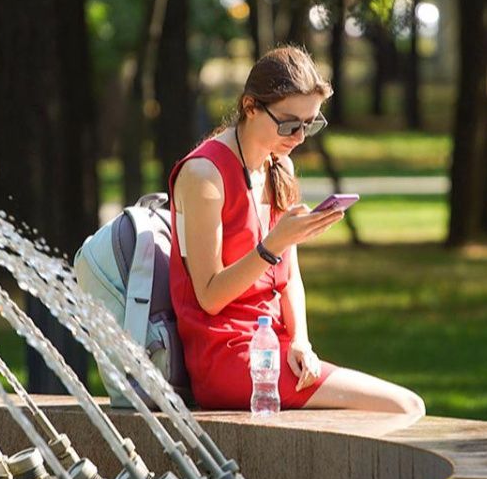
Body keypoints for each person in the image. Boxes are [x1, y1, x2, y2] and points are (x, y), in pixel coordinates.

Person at [168, 45, 425, 418]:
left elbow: (290, 278)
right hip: (225, 357)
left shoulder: (278, 166)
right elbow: (209, 296)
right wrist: (273, 244)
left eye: (310, 124)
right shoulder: (204, 174)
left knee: (399, 407)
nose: (300, 137)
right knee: (404, 406)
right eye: (289, 124)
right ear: (250, 107)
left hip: (272, 346)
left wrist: (302, 340)